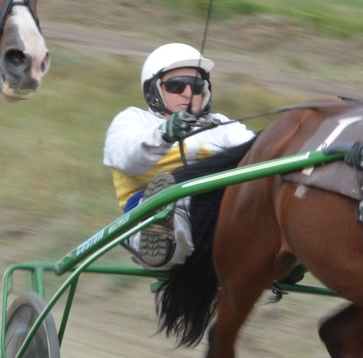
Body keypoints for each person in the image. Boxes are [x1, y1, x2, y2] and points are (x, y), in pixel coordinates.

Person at [103, 43, 254, 269]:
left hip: (220, 211)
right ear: (154, 89)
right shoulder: (133, 120)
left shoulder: (221, 124)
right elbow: (125, 158)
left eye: (196, 86)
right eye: (176, 85)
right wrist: (164, 134)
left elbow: (258, 154)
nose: (187, 93)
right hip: (151, 208)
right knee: (175, 203)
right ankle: (157, 232)